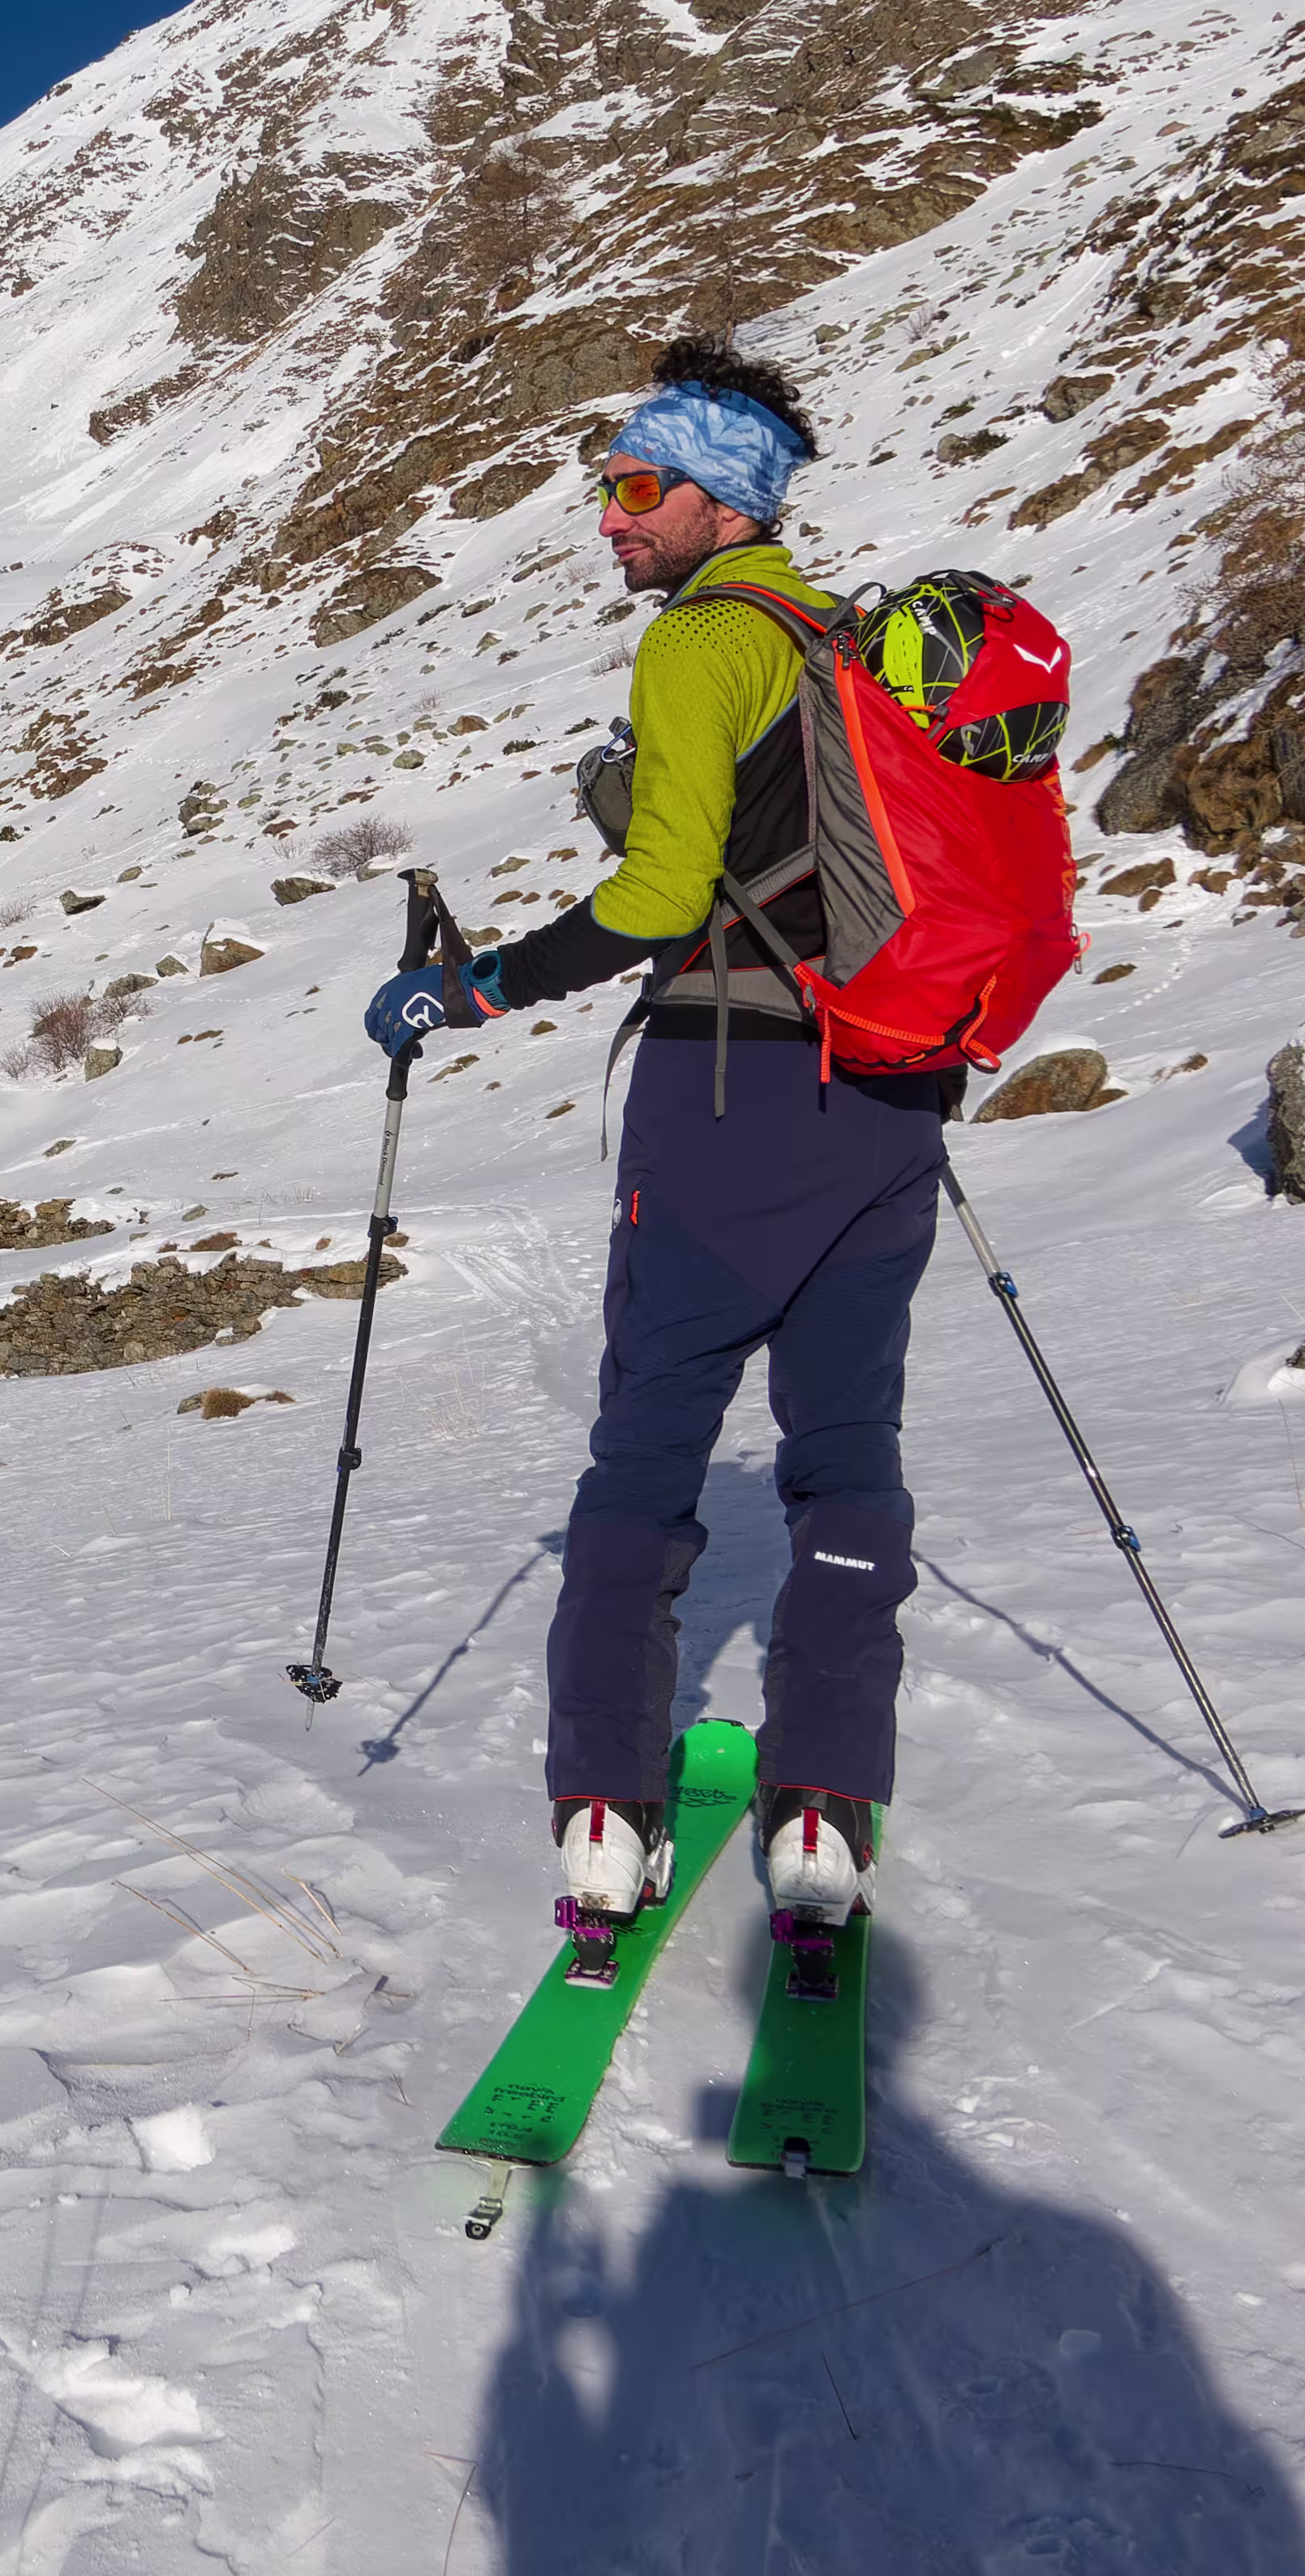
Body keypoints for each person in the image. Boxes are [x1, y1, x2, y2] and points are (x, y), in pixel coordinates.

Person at [360, 335, 957, 1965]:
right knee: (846, 1453)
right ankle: (826, 1814)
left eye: (633, 489)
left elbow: (657, 899)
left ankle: (609, 1826)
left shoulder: (704, 646)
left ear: (720, 501)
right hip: (893, 1096)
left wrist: (475, 986)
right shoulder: (845, 638)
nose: (609, 521)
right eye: (605, 489)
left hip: (730, 1096)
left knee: (644, 1461)